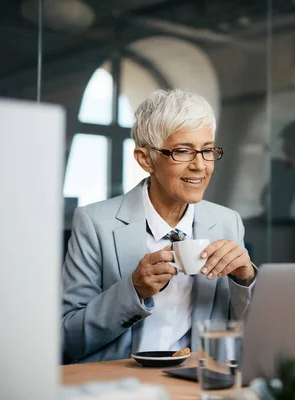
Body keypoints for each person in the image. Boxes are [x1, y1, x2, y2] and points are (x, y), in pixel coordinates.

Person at [61, 89, 256, 363]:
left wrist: (245, 279)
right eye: (183, 151)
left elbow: (249, 332)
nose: (200, 166)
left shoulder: (227, 222)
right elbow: (66, 340)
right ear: (145, 159)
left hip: (194, 380)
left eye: (208, 150)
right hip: (119, 384)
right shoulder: (94, 224)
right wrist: (133, 290)